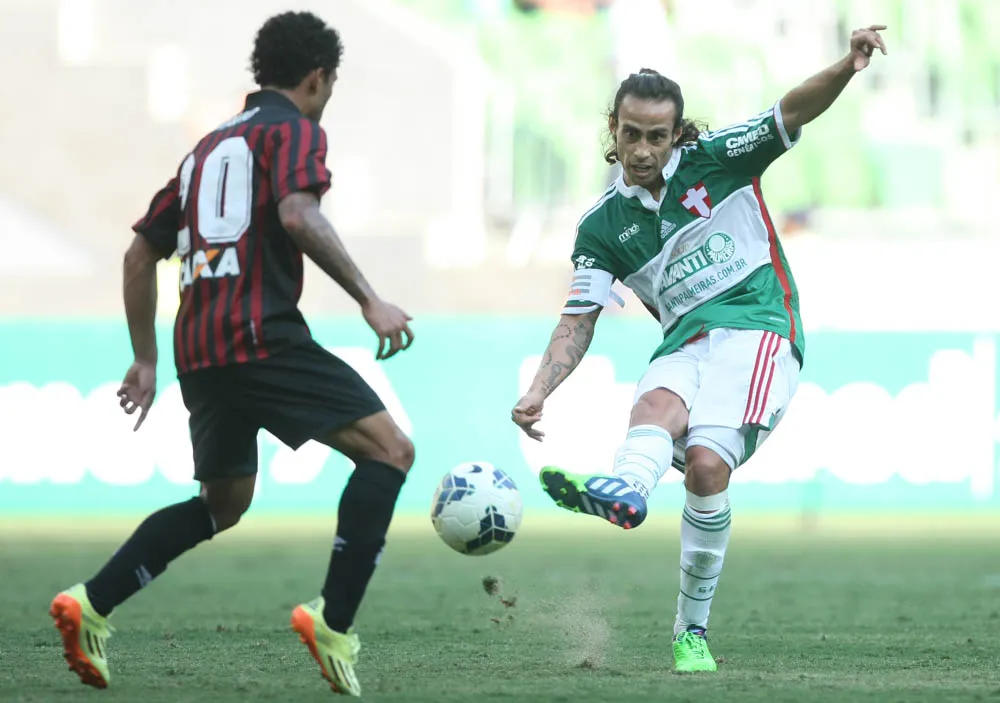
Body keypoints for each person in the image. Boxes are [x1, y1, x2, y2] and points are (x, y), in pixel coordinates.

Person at [49, 11, 414, 697]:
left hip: (199, 348)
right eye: (329, 86)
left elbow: (138, 252)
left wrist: (146, 358)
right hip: (261, 334)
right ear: (317, 78)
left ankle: (90, 602)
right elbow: (299, 214)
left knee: (223, 502)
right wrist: (370, 297)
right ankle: (334, 620)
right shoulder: (294, 130)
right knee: (390, 449)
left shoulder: (203, 150)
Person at [511, 25, 888, 673]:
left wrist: (847, 66)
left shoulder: (720, 159)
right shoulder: (602, 227)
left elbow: (790, 109)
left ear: (677, 134)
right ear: (614, 128)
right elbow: (578, 319)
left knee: (709, 466)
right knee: (658, 396)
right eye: (631, 133)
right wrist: (540, 389)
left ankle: (691, 631)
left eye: (657, 135)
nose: (642, 148)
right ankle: (626, 490)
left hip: (762, 324)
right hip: (687, 337)